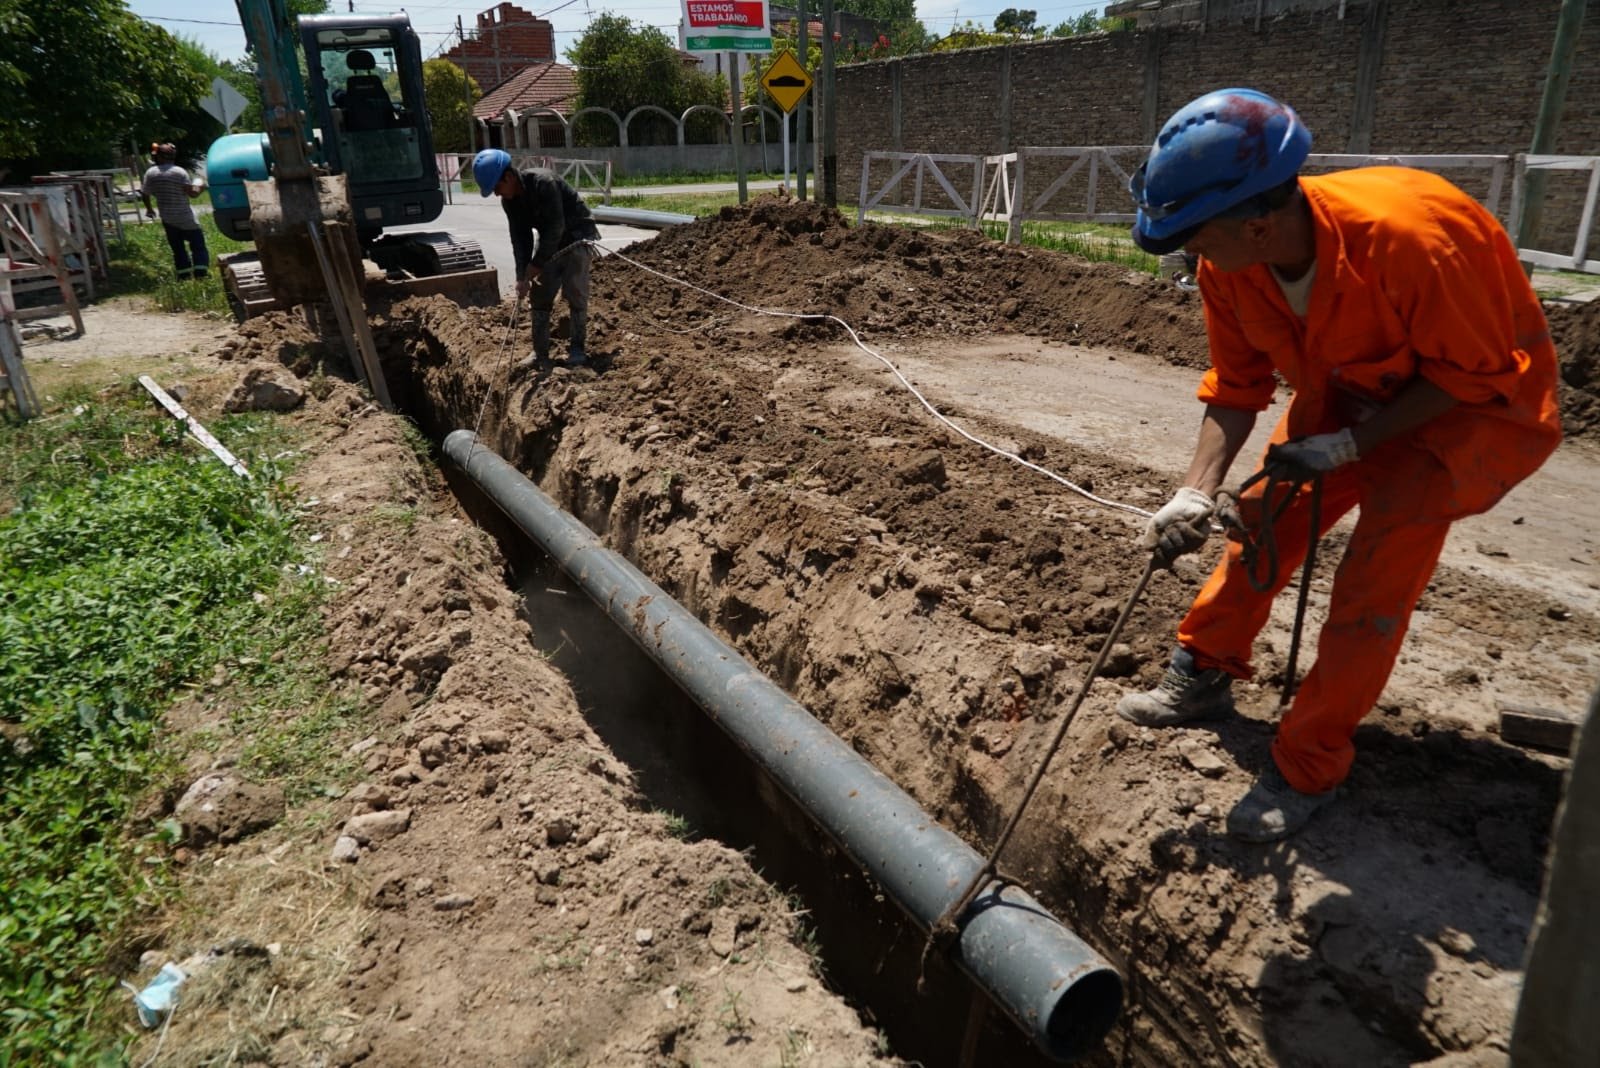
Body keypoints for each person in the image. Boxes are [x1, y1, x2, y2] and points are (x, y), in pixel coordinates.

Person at [1119, 88, 1562, 842]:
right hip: (1347, 390)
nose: (1193, 258)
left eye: (1197, 239)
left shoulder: (1414, 243)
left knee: (1370, 587)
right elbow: (1236, 387)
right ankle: (1204, 673)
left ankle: (1308, 763)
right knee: (1263, 517)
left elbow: (1474, 374)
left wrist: (1355, 446)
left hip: (1461, 412)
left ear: (1257, 225)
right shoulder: (1233, 267)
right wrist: (1194, 491)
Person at [472, 148, 600, 367]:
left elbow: (556, 227)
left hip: (577, 236)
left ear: (509, 177)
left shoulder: (544, 183)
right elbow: (520, 238)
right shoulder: (510, 201)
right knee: (540, 294)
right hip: (551, 239)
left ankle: (577, 349)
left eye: (497, 187)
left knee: (575, 292)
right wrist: (522, 275)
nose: (496, 194)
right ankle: (540, 353)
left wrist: (537, 264)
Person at [140, 143, 210, 280]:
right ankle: (201, 274)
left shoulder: (151, 173)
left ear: (159, 157)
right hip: (186, 218)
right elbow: (193, 194)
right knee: (198, 246)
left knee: (178, 249)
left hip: (168, 218)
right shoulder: (179, 172)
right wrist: (200, 185)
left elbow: (145, 193)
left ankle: (184, 275)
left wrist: (149, 209)